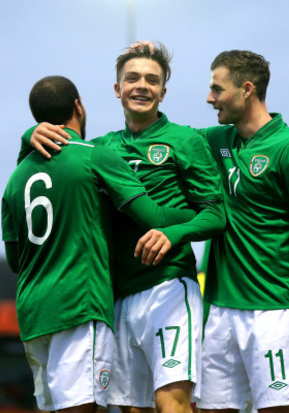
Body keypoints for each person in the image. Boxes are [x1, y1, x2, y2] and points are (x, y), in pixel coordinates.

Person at [18, 45, 226, 413]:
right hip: (116, 296)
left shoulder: (186, 141)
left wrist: (172, 234)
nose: (142, 86)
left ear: (164, 91)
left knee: (172, 402)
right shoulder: (101, 147)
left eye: (152, 80)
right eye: (132, 78)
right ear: (117, 89)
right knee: (131, 408)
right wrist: (28, 136)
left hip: (169, 287)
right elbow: (48, 167)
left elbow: (215, 215)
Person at [195, 49, 289, 413]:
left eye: (217, 89)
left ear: (247, 90)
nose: (210, 98)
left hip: (274, 313)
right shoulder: (216, 141)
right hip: (221, 311)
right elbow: (161, 138)